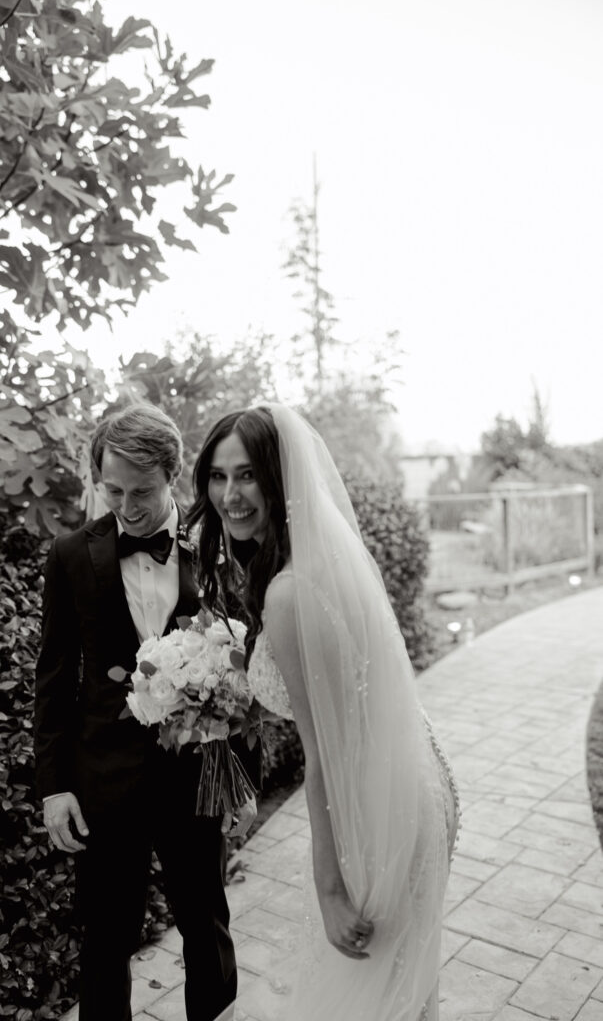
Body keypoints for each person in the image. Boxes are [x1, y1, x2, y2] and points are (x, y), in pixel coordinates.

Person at [187, 404, 459, 1021]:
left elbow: (324, 753)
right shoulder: (319, 565)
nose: (230, 495)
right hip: (414, 776)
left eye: (249, 475)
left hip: (374, 807)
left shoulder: (288, 592)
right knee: (398, 993)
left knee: (366, 995)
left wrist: (329, 888)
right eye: (218, 476)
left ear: (282, 480)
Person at [34, 402, 257, 1021]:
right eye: (113, 491)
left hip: (196, 779)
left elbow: (246, 674)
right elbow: (52, 681)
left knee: (205, 925)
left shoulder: (219, 548)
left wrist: (239, 780)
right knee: (105, 940)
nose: (126, 508)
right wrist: (54, 789)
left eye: (142, 492)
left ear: (173, 475)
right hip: (104, 782)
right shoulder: (72, 556)